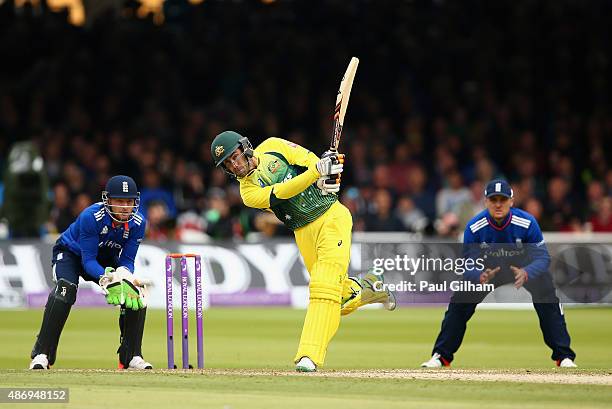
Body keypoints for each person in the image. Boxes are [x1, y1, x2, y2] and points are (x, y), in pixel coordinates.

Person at [210, 131, 395, 372]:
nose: (235, 165)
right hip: (303, 232)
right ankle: (371, 286)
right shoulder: (248, 193)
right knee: (336, 297)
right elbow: (284, 191)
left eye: (235, 156)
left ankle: (309, 355)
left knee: (322, 287)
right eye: (228, 164)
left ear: (245, 147)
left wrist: (329, 171)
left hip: (332, 218)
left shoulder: (273, 146)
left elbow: (307, 158)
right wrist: (316, 173)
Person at [421, 179, 577, 368]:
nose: (498, 204)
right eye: (493, 200)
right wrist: (478, 275)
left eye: (502, 200)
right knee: (459, 303)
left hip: (523, 268)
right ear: (485, 202)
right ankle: (441, 356)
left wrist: (527, 272)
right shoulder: (474, 227)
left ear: (511, 201)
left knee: (548, 299)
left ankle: (564, 356)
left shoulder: (527, 223)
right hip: (489, 270)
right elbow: (468, 261)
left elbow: (543, 258)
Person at [29, 175, 151, 370]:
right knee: (65, 290)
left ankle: (131, 356)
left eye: (129, 201)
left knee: (134, 293)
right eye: (119, 201)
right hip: (71, 254)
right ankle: (41, 353)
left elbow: (127, 260)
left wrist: (123, 277)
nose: (125, 207)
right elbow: (88, 261)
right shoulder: (91, 217)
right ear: (108, 201)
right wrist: (109, 279)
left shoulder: (138, 223)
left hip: (104, 258)